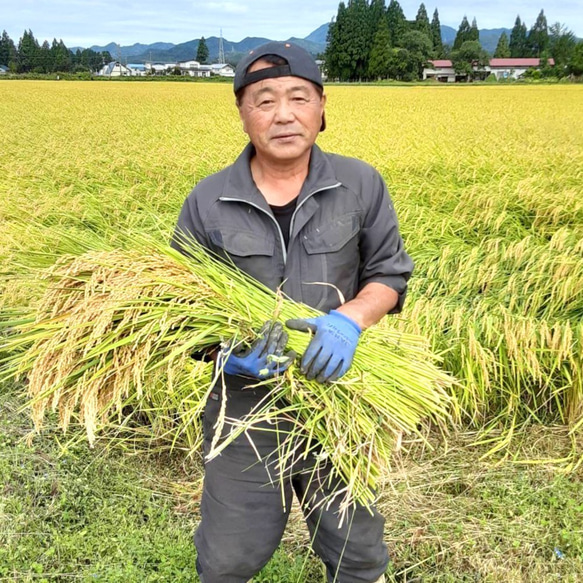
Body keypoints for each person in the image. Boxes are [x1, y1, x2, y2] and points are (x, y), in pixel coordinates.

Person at [172, 41, 413, 583]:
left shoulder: (360, 184)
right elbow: (177, 310)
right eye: (263, 101)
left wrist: (349, 320)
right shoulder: (208, 201)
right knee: (228, 561)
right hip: (244, 410)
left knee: (358, 556)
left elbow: (390, 274)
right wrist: (225, 357)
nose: (283, 114)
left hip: (340, 395)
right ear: (242, 114)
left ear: (322, 107)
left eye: (298, 97)